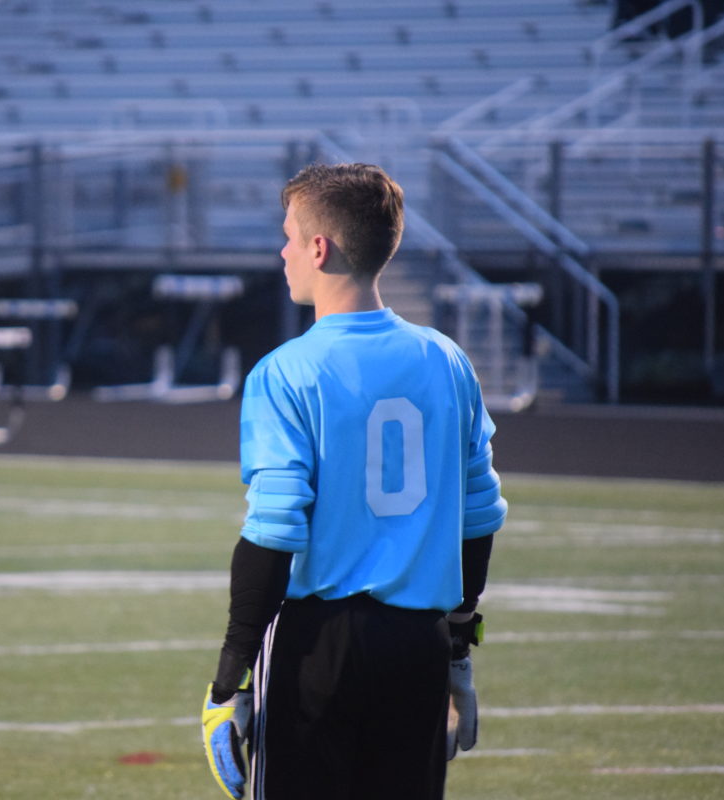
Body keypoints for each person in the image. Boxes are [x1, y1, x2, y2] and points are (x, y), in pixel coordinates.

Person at [201, 163, 507, 800]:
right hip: (417, 646)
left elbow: (276, 528)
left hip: (319, 646)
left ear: (320, 247)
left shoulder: (284, 372)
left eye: (289, 236)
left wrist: (228, 680)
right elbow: (479, 517)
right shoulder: (446, 360)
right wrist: (456, 648)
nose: (282, 251)